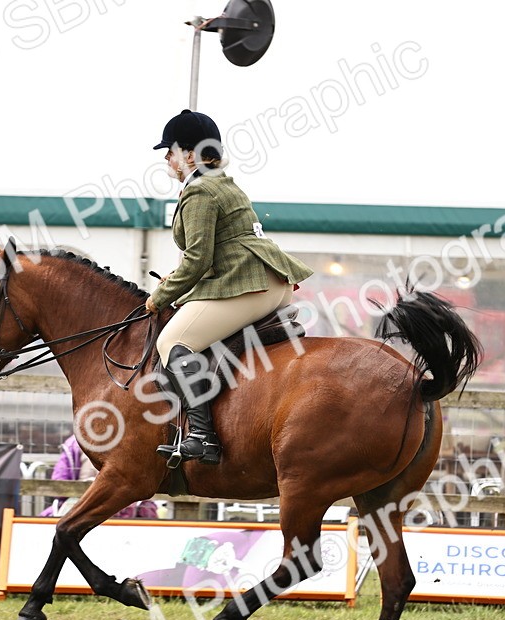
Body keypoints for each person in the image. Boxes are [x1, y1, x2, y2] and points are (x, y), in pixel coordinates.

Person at [144, 109, 314, 465]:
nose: (166, 158)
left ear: (189, 153)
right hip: (261, 280)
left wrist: (160, 296)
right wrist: (181, 290)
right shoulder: (217, 182)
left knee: (172, 342)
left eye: (170, 150)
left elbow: (197, 260)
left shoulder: (201, 191)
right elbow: (213, 259)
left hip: (251, 285)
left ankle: (203, 437)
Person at [43, 434, 158, 519]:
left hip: (123, 509)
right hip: (80, 506)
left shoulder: (132, 442)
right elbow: (59, 483)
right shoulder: (75, 443)